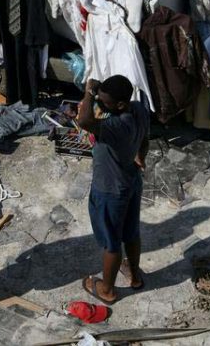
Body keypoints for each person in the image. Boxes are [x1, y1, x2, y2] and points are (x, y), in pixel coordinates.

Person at [77, 75, 150, 304]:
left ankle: (107, 290)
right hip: (131, 181)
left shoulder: (116, 126)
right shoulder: (138, 109)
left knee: (111, 243)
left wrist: (89, 93)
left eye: (105, 103)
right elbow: (145, 138)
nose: (101, 105)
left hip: (110, 190)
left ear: (119, 105)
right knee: (131, 232)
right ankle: (135, 275)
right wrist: (140, 156)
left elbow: (85, 121)